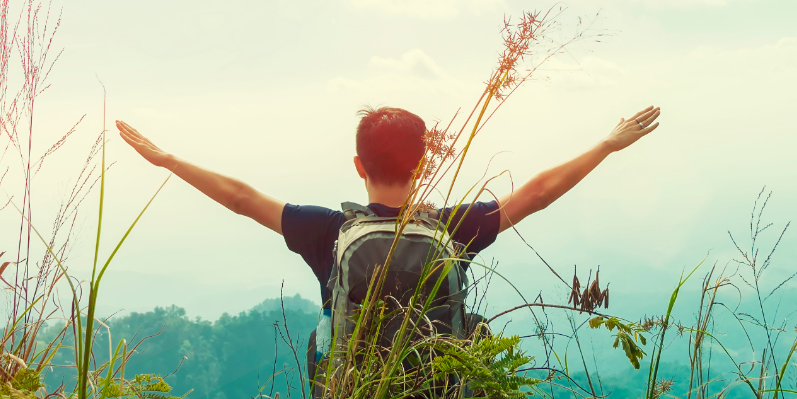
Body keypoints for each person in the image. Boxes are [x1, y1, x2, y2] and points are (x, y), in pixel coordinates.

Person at [115, 105, 661, 305]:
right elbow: (536, 194)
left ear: (359, 166)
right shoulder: (456, 227)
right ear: (421, 165)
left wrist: (167, 160)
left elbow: (240, 199)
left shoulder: (324, 230)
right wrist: (605, 146)